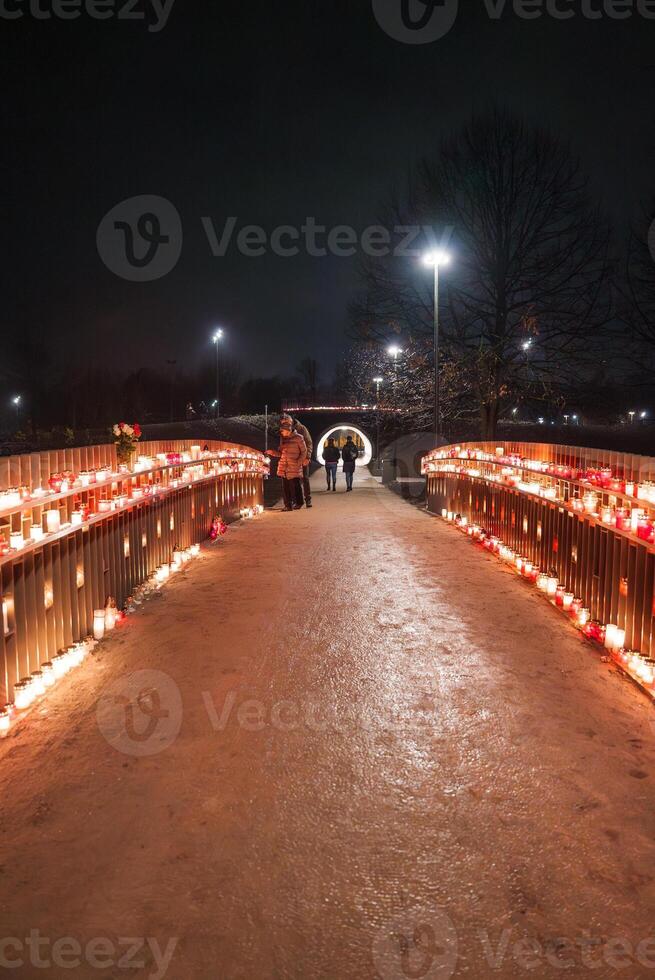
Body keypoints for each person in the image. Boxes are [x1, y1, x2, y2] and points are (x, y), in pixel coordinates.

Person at [268, 415, 307, 511]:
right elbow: (281, 453)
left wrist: (298, 463)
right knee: (285, 488)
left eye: (283, 431)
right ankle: (288, 505)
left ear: (288, 430)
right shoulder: (283, 440)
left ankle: (299, 502)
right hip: (284, 467)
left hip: (294, 466)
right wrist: (273, 453)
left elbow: (304, 452)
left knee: (295, 486)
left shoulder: (299, 438)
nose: (282, 433)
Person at [293, 418, 313, 508]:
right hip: (292, 458)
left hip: (303, 457)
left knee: (305, 478)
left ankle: (308, 499)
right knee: (294, 479)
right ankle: (296, 500)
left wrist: (307, 457)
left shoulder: (301, 428)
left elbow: (309, 443)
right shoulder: (285, 429)